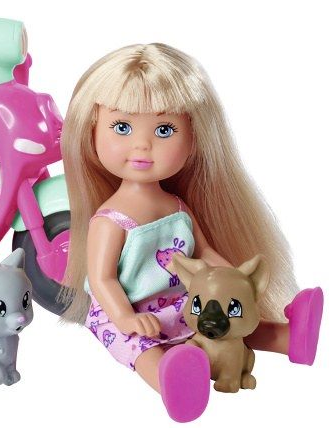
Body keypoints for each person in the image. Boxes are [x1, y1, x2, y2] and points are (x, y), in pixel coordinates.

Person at [58, 43, 324, 422]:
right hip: (126, 310)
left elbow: (205, 253)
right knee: (138, 347)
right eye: (122, 127)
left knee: (224, 325)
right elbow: (102, 279)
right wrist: (125, 317)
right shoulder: (110, 220)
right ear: (92, 130)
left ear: (194, 138)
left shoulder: (177, 207)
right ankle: (171, 380)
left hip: (183, 301)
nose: (142, 144)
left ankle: (287, 338)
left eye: (165, 130)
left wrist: (233, 280)